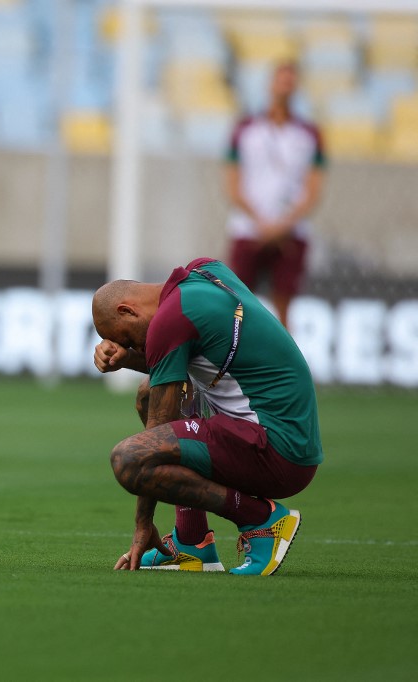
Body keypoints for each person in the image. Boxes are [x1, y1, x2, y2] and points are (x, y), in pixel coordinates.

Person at [91, 257, 323, 576]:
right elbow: (191, 352)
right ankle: (192, 541)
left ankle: (261, 520)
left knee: (128, 459)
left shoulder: (169, 322)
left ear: (127, 311)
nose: (136, 346)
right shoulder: (203, 273)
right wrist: (128, 359)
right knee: (149, 393)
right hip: (290, 437)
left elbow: (151, 443)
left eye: (129, 339)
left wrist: (143, 524)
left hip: (276, 451)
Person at [225, 60, 325, 327]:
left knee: (284, 308)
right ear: (270, 83)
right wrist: (261, 223)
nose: (285, 86)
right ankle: (235, 364)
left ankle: (282, 367)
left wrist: (283, 225)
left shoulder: (309, 134)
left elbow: (313, 189)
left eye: (290, 80)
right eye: (281, 79)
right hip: (248, 228)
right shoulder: (245, 129)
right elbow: (233, 184)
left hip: (291, 232)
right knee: (236, 304)